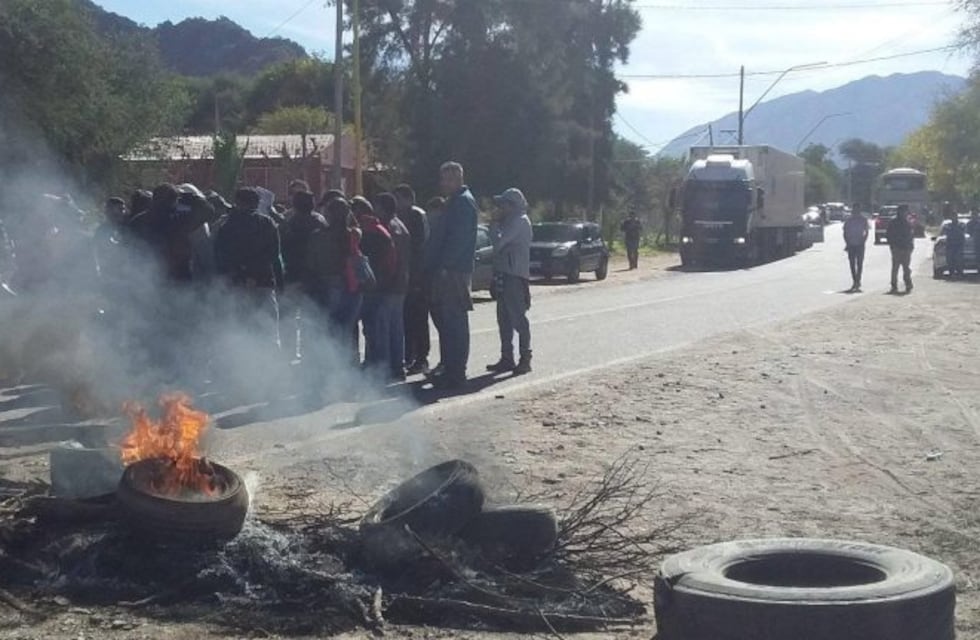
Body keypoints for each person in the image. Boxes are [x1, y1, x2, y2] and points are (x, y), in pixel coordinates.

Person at [214, 187, 284, 348]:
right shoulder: (267, 223)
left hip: (236, 285)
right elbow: (274, 255)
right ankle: (271, 364)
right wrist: (277, 282)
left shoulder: (227, 226)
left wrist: (241, 274)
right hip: (263, 282)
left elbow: (220, 257)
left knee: (238, 329)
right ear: (257, 203)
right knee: (268, 329)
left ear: (237, 202)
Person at [428, 161, 478, 390]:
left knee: (455, 322)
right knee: (447, 323)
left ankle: (456, 372)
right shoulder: (455, 202)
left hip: (454, 271)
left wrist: (446, 265)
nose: (443, 183)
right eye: (442, 179)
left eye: (448, 179)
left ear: (458, 179)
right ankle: (449, 368)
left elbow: (459, 239)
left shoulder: (463, 203)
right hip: (449, 269)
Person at [486, 188, 533, 375]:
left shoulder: (520, 222)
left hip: (514, 275)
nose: (500, 208)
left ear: (512, 205)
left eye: (503, 204)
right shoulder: (510, 222)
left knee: (518, 318)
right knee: (503, 319)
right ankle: (507, 357)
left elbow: (499, 244)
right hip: (504, 273)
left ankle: (525, 357)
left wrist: (494, 226)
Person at [279, 190, 329, 362]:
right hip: (315, 277)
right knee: (312, 317)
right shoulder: (320, 222)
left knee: (288, 318)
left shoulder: (289, 223)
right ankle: (312, 353)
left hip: (293, 275)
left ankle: (289, 352)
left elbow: (283, 248)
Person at [352, 196, 397, 377]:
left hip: (374, 287)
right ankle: (375, 364)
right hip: (378, 286)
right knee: (373, 328)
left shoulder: (370, 233)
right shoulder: (378, 230)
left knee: (374, 329)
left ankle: (377, 367)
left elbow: (381, 262)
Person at [375, 192, 412, 382]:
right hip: (401, 283)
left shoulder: (388, 227)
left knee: (385, 327)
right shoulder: (401, 226)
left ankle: (389, 368)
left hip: (390, 283)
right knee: (396, 327)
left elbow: (388, 260)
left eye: (377, 206)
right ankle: (398, 366)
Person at [394, 184, 431, 375]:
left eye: (399, 199)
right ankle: (409, 355)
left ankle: (421, 358)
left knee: (418, 319)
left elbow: (419, 247)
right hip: (406, 275)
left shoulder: (416, 216)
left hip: (418, 276)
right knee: (406, 319)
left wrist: (416, 276)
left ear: (409, 199)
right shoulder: (399, 217)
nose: (397, 203)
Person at [423, 196, 447, 376]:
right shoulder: (432, 231)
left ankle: (447, 363)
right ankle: (445, 362)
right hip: (432, 279)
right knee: (440, 324)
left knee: (444, 324)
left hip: (440, 280)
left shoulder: (441, 232)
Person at [886, 204, 915, 294]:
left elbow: (911, 235)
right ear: (900, 211)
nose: (905, 213)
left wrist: (911, 245)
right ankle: (894, 285)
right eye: (904, 211)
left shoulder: (907, 222)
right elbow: (889, 234)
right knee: (896, 267)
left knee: (906, 268)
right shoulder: (894, 222)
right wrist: (892, 245)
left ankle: (908, 284)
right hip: (897, 247)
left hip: (906, 248)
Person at [842, 204, 869, 291]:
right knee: (852, 264)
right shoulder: (849, 220)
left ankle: (858, 280)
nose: (856, 211)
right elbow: (845, 232)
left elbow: (866, 231)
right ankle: (855, 280)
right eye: (855, 210)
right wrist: (847, 242)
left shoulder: (863, 220)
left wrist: (864, 240)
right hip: (851, 244)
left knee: (860, 264)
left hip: (860, 244)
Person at [942, 205, 965, 279]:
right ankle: (951, 273)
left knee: (959, 260)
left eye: (955, 216)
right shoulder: (947, 225)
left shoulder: (961, 225)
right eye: (952, 216)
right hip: (950, 246)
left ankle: (960, 273)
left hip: (958, 246)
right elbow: (945, 232)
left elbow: (963, 233)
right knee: (950, 261)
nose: (953, 217)